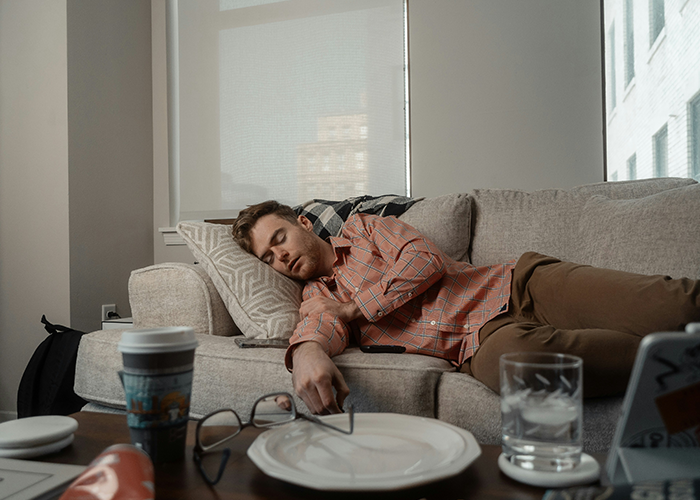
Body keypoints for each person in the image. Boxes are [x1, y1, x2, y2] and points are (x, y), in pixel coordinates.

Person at [231, 200, 700, 415]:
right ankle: (686, 361)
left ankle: (679, 339)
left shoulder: (362, 229)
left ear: (304, 223)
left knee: (676, 305)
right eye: (268, 257)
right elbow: (315, 329)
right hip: (478, 344)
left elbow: (424, 260)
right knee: (520, 371)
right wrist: (309, 352)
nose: (281, 256)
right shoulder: (317, 298)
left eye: (280, 238)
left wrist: (358, 311)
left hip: (520, 285)